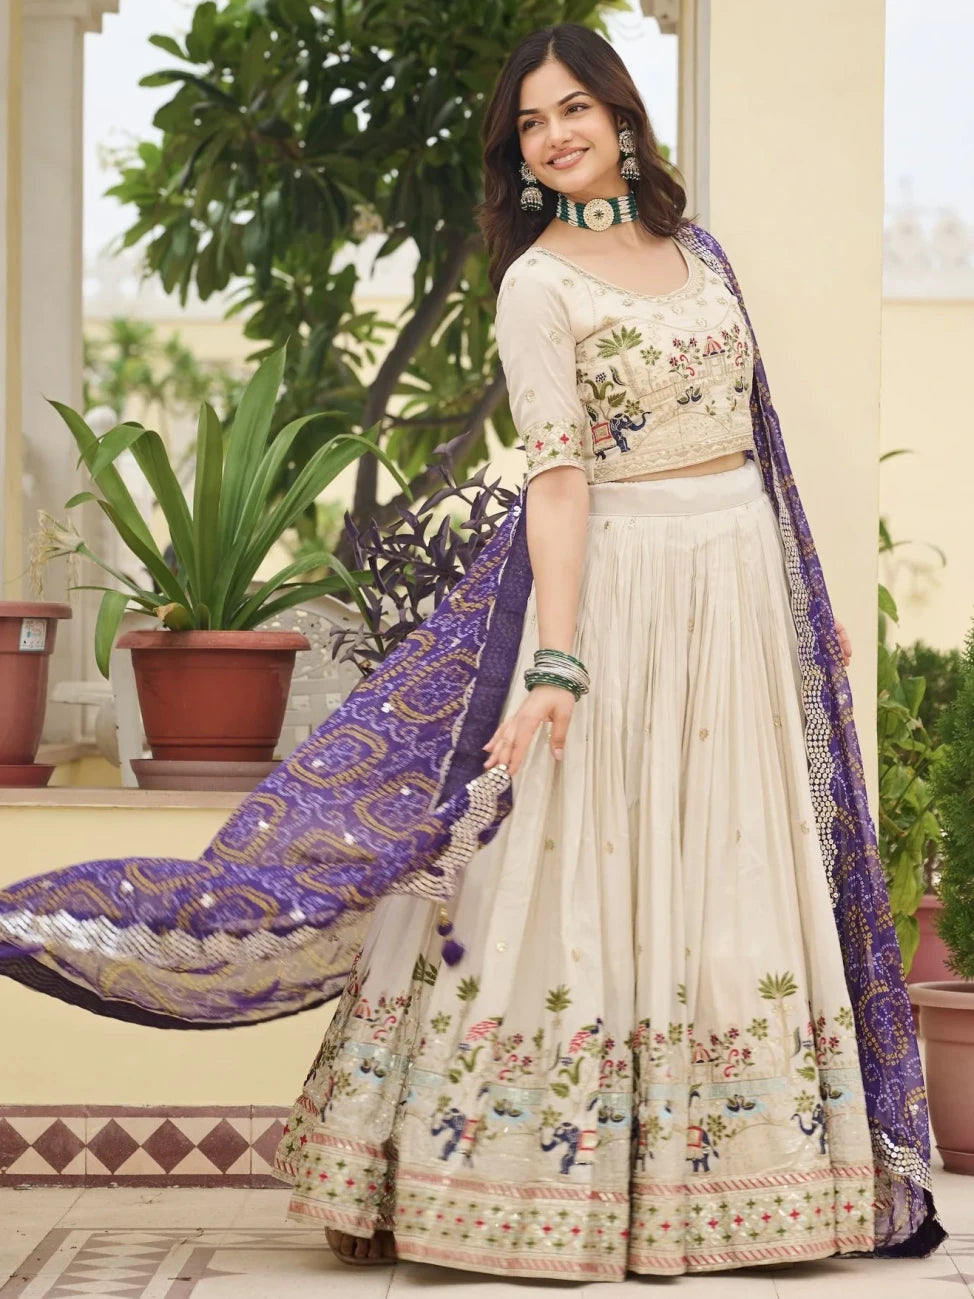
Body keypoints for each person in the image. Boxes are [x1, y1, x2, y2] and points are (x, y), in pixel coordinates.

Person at [0, 20, 946, 1284]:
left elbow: (752, 440)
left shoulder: (698, 253)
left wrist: (797, 590)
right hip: (615, 594)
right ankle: (494, 1180)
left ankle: (739, 1183)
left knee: (722, 861)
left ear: (620, 113)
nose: (555, 135)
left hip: (733, 588)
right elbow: (556, 481)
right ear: (517, 153)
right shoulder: (536, 285)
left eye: (574, 109)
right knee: (561, 866)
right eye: (529, 124)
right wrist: (554, 662)